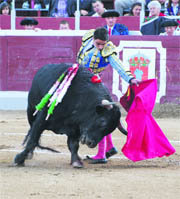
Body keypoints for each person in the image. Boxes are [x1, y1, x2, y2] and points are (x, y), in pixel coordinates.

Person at [77, 27, 140, 164]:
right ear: (93, 39)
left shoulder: (108, 50)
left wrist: (130, 78)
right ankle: (109, 147)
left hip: (92, 84)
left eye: (103, 44)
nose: (100, 47)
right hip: (80, 79)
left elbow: (119, 66)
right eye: (98, 43)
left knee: (98, 117)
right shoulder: (88, 37)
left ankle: (101, 154)